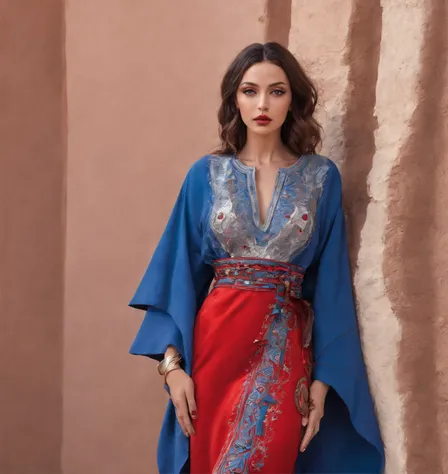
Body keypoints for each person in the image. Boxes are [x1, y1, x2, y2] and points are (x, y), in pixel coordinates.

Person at [129, 42, 385, 474]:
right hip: (214, 351)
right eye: (249, 91)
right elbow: (175, 275)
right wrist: (173, 371)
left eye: (277, 91)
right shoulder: (205, 176)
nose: (262, 104)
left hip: (285, 356)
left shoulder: (321, 177)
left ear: (295, 100)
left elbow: (333, 286)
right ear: (234, 99)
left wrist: (324, 381)